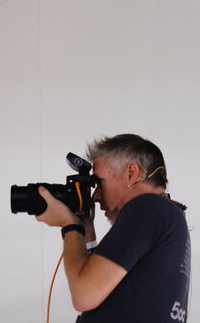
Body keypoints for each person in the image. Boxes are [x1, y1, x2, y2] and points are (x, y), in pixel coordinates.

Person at [36, 134, 191, 322]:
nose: (95, 196)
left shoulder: (147, 207)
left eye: (100, 182)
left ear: (131, 173)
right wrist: (87, 234)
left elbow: (84, 295)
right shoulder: (166, 215)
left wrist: (69, 225)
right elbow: (110, 286)